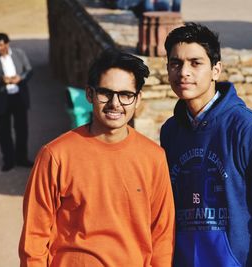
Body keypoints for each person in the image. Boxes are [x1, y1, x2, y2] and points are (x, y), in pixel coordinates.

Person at [19, 48, 175, 266]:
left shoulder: (154, 158)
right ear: (90, 94)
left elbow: (162, 236)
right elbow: (34, 237)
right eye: (106, 93)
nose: (115, 103)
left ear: (138, 99)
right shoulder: (55, 155)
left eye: (126, 95)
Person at [160, 23, 252, 267]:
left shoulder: (249, 130)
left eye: (195, 63)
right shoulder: (171, 132)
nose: (184, 72)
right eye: (175, 63)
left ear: (216, 70)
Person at [0, 33, 33, 171]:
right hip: (1, 99)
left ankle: (22, 158)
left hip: (19, 97)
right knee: (4, 132)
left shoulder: (19, 53)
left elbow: (29, 70)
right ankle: (8, 160)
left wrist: (20, 78)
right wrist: (0, 80)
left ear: (7, 44)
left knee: (22, 129)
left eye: (1, 45)